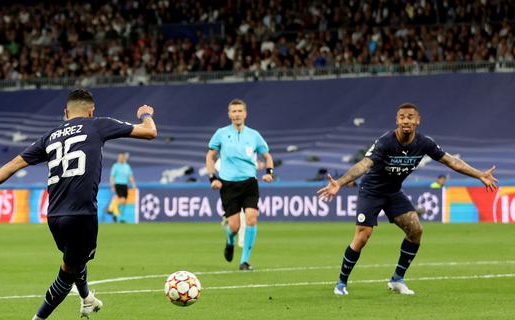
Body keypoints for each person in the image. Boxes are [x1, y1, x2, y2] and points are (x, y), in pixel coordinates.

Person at [0, 89, 157, 320]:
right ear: (92, 111)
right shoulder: (98, 125)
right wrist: (146, 114)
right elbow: (150, 132)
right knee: (68, 270)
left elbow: (12, 165)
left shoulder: (50, 136)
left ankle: (87, 299)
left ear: (65, 112)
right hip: (82, 213)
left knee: (76, 258)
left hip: (55, 215)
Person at [317, 103, 498, 296]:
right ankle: (341, 283)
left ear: (417, 121)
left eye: (410, 117)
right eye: (402, 117)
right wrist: (340, 183)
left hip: (394, 192)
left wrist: (479, 174)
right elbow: (365, 164)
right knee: (362, 237)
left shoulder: (424, 143)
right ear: (397, 120)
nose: (406, 120)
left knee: (416, 230)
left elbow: (451, 161)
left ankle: (397, 279)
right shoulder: (385, 141)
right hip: (372, 191)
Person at [206, 99, 274, 271]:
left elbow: (267, 156)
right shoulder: (221, 133)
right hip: (228, 184)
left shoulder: (254, 135)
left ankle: (244, 261)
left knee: (251, 218)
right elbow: (210, 157)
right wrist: (213, 178)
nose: (237, 114)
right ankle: (230, 241)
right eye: (233, 111)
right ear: (229, 114)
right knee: (234, 226)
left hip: (249, 183)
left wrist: (268, 172)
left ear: (245, 114)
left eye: (239, 111)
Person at [110, 152, 136, 223]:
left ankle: (118, 216)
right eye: (120, 157)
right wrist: (112, 185)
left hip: (125, 185)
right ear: (118, 158)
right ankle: (117, 214)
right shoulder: (115, 166)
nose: (121, 158)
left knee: (124, 202)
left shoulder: (127, 166)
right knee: (122, 200)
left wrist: (133, 184)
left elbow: (130, 176)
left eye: (122, 157)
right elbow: (112, 176)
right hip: (118, 184)